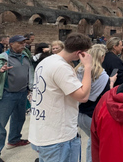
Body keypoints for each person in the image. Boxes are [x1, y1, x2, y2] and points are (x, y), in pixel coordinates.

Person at [29, 33, 93, 162]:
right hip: (58, 136)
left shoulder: (47, 61)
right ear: (79, 53)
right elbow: (83, 96)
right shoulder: (61, 67)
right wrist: (87, 67)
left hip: (44, 130)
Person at [0, 35, 35, 162]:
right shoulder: (2, 58)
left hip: (23, 93)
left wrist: (31, 86)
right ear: (11, 44)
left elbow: (30, 72)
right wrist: (0, 71)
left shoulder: (26, 56)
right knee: (0, 124)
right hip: (7, 95)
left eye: (24, 43)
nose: (23, 45)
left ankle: (14, 140)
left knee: (19, 118)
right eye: (19, 43)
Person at [76, 44, 117, 162]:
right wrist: (111, 82)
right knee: (95, 143)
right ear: (102, 57)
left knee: (91, 140)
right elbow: (104, 96)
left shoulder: (79, 70)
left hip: (80, 114)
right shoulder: (101, 74)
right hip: (92, 115)